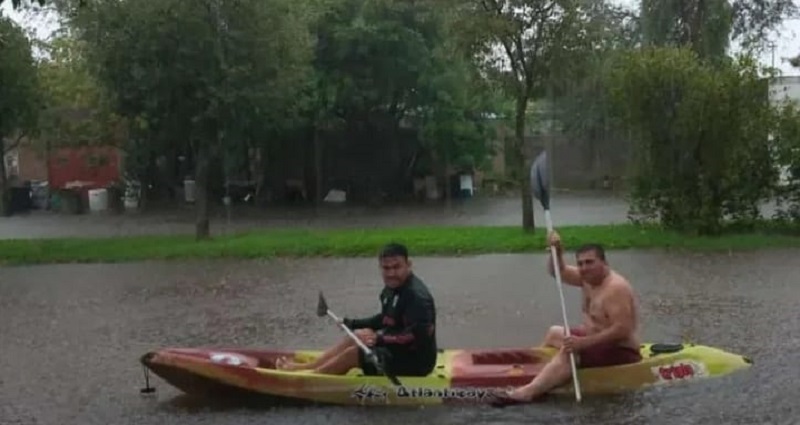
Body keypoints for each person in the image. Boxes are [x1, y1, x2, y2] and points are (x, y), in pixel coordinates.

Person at [490, 230, 642, 406]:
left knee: (570, 349)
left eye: (590, 262)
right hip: (593, 340)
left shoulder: (616, 288)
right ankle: (544, 373)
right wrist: (557, 251)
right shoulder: (587, 277)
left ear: (604, 263)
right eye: (581, 263)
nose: (584, 268)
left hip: (620, 351)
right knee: (555, 333)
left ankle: (527, 392)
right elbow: (558, 271)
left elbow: (623, 329)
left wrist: (582, 343)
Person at [275, 242, 438, 377]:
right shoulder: (391, 289)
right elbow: (385, 318)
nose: (391, 273)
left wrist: (379, 339)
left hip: (415, 362)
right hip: (397, 351)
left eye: (396, 267)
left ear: (408, 265)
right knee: (358, 335)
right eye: (386, 268)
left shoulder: (417, 298)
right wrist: (352, 323)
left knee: (354, 354)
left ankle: (312, 377)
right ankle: (306, 368)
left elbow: (417, 336)